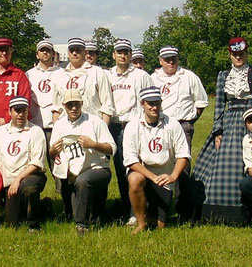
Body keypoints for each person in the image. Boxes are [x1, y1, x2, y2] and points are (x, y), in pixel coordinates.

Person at [190, 37, 252, 224]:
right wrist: (217, 131)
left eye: (241, 54)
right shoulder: (223, 76)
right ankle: (219, 213)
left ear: (246, 53)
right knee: (221, 166)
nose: (238, 57)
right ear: (230, 55)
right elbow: (219, 105)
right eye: (235, 54)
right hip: (229, 122)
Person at [123, 87, 190, 233]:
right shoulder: (132, 125)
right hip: (144, 174)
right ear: (142, 104)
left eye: (157, 103)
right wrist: (152, 177)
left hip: (164, 178)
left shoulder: (172, 124)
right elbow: (130, 160)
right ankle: (140, 223)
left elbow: (183, 154)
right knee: (134, 179)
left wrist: (173, 176)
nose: (154, 107)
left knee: (159, 226)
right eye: (150, 103)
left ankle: (151, 213)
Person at [49, 89, 116, 235]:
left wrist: (93, 145)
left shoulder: (95, 122)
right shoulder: (59, 125)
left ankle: (82, 226)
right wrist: (53, 150)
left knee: (82, 181)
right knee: (78, 208)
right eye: (69, 105)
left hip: (98, 169)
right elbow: (52, 154)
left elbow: (112, 149)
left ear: (82, 104)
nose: (73, 108)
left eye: (77, 104)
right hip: (71, 171)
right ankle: (87, 215)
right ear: (64, 106)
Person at [105, 38, 154, 222]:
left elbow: (150, 101)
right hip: (114, 127)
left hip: (134, 127)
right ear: (114, 55)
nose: (123, 55)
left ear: (131, 55)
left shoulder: (141, 76)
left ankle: (141, 209)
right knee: (119, 170)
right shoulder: (107, 75)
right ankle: (129, 209)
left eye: (126, 52)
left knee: (136, 168)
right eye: (119, 52)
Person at [0, 96, 47, 231]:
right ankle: (45, 207)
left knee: (28, 188)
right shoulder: (0, 132)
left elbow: (36, 163)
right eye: (17, 111)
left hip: (30, 176)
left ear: (28, 112)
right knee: (13, 224)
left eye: (24, 110)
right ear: (10, 112)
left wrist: (18, 179)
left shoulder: (36, 131)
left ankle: (33, 224)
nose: (20, 114)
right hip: (9, 181)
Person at [52, 38, 114, 125]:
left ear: (85, 52)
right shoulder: (60, 76)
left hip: (92, 125)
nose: (74, 53)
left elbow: (107, 105)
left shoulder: (97, 72)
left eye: (78, 50)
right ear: (68, 53)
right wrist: (56, 130)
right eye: (72, 50)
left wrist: (103, 130)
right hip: (66, 127)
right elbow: (56, 108)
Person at [25, 39, 66, 159]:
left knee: (58, 166)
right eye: (42, 50)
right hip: (34, 126)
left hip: (55, 127)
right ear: (37, 54)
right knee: (34, 164)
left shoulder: (62, 73)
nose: (45, 53)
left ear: (53, 53)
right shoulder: (29, 74)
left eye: (48, 50)